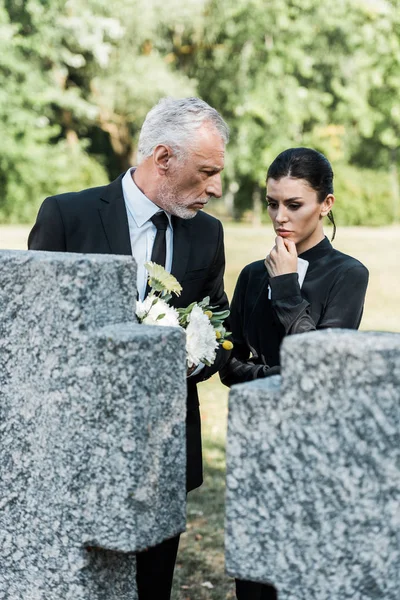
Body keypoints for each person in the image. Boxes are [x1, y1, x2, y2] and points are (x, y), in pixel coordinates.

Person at [28, 97, 230, 600]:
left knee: (152, 588)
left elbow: (218, 333)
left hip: (165, 454)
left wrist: (194, 355)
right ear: (163, 159)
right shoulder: (65, 216)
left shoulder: (208, 234)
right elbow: (34, 339)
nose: (217, 188)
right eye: (206, 172)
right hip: (76, 450)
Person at [220, 147, 369, 600]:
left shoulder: (348, 275)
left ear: (326, 203)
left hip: (317, 441)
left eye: (294, 204)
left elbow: (321, 366)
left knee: (307, 576)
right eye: (272, 203)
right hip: (255, 436)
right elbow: (227, 362)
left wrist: (286, 287)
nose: (279, 216)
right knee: (255, 576)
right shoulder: (250, 275)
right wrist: (278, 373)